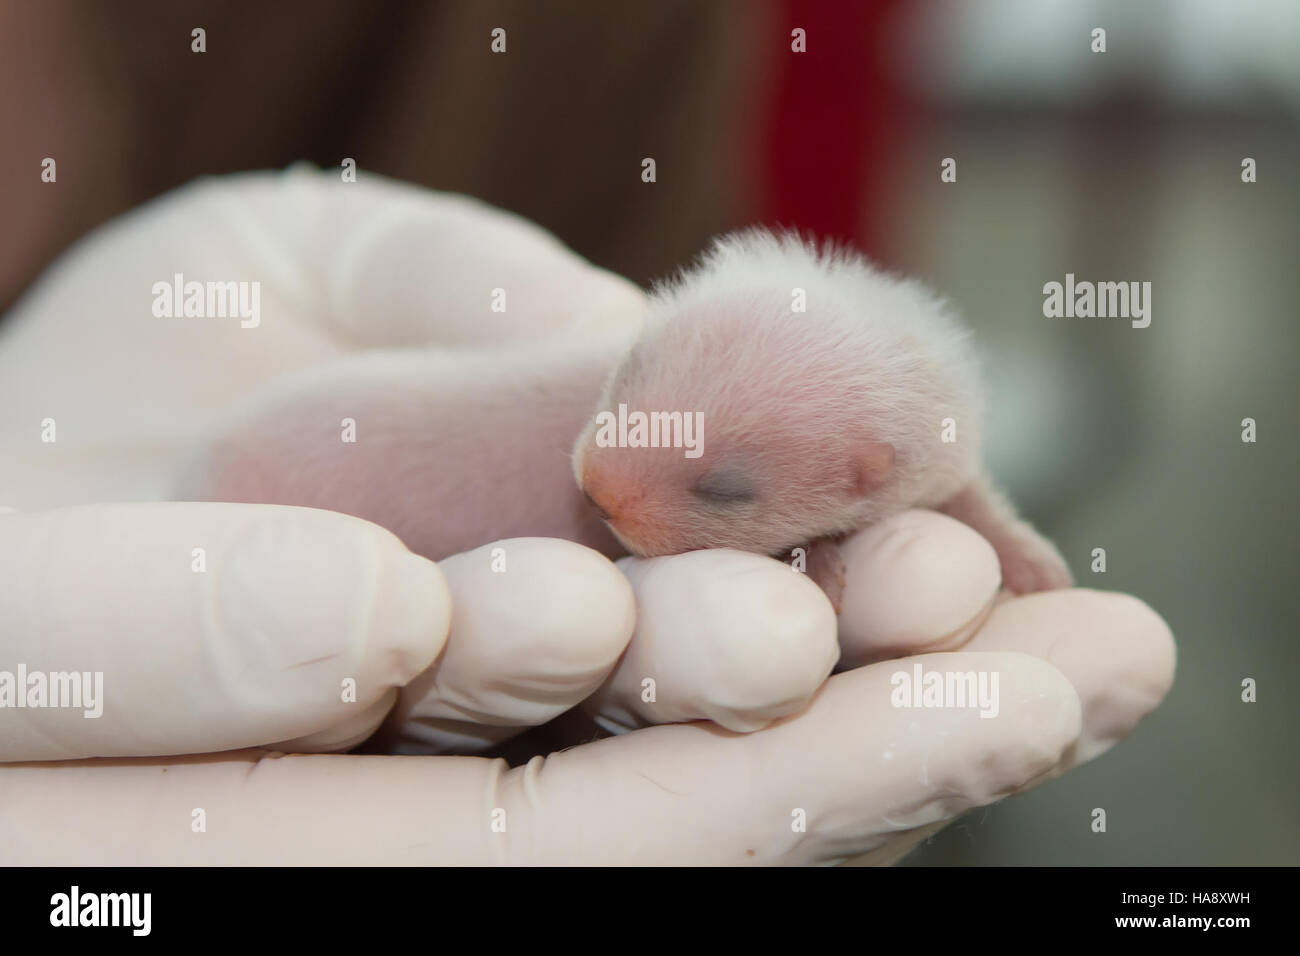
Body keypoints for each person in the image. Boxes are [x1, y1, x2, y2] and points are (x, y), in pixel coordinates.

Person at [0, 170, 1175, 865]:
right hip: (270, 475)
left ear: (867, 478)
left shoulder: (896, 435)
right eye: (627, 394)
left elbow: (951, 484)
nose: (607, 481)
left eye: (717, 489)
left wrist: (1009, 547)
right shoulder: (794, 410)